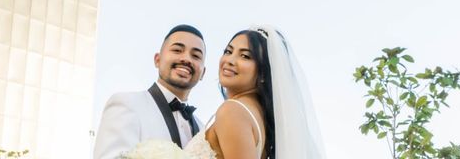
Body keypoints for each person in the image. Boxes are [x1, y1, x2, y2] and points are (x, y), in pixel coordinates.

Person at [184, 25, 326, 159]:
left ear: (264, 73)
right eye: (228, 51)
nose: (230, 60)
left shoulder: (232, 111)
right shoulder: (256, 115)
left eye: (245, 56)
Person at [93, 24, 207, 159]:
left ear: (203, 73)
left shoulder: (203, 131)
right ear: (157, 60)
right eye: (177, 50)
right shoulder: (127, 103)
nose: (186, 59)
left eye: (195, 55)